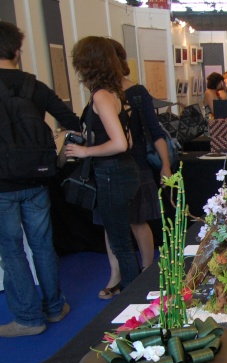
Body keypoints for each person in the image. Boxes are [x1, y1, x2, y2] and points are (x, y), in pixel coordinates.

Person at [0, 21, 77, 337]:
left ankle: (29, 319)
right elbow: (70, 119)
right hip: (37, 179)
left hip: (2, 185)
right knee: (43, 244)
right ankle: (55, 307)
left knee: (12, 250)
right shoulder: (34, 86)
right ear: (17, 51)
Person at [96, 38, 171, 300]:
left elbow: (155, 131)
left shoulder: (136, 92)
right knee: (112, 225)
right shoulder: (101, 94)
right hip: (107, 169)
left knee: (138, 222)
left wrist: (165, 166)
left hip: (136, 165)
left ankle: (148, 272)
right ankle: (116, 275)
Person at [67, 36, 141, 295]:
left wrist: (85, 150)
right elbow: (127, 140)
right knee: (123, 240)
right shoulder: (113, 94)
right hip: (121, 172)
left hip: (113, 174)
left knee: (121, 243)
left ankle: (134, 301)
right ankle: (133, 296)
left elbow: (121, 143)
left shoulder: (101, 95)